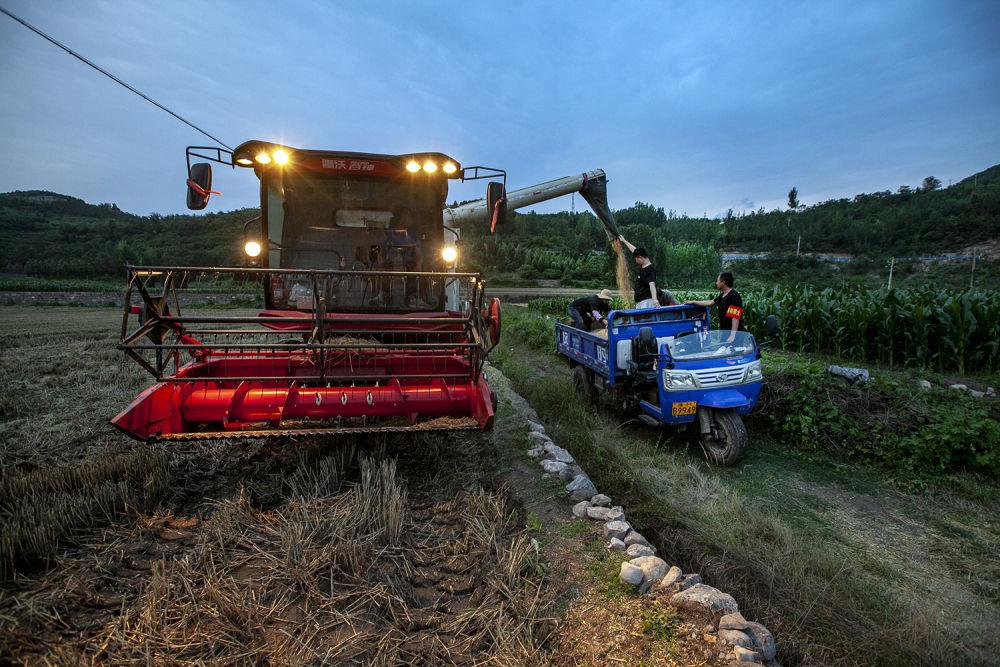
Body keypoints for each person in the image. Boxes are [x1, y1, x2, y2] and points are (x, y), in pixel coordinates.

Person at [686, 272, 745, 342]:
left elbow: (735, 317)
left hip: (734, 335)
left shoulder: (734, 296)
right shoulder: (723, 295)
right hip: (725, 332)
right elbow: (710, 303)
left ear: (723, 282)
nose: (716, 283)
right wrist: (693, 302)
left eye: (717, 281)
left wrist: (732, 335)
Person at [618, 238, 658, 308]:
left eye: (636, 259)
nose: (636, 261)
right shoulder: (643, 265)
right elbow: (634, 250)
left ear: (640, 257)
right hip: (640, 302)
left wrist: (655, 299)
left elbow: (652, 284)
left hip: (646, 302)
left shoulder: (649, 269)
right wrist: (624, 241)